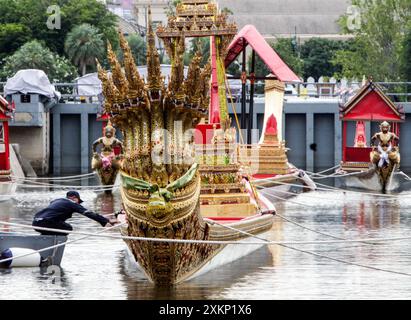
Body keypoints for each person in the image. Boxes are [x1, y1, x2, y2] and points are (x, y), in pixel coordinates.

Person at [32, 191, 118, 236]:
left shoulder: (56, 201)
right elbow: (89, 213)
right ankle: (53, 243)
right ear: (74, 198)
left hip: (36, 222)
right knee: (68, 228)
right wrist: (107, 220)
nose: (78, 203)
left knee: (60, 225)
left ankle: (45, 238)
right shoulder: (72, 203)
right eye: (78, 201)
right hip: (46, 223)